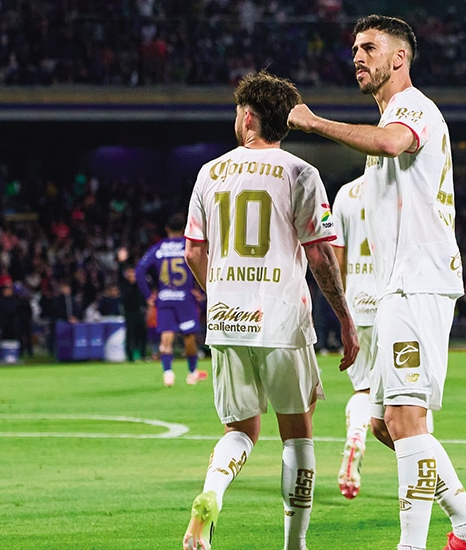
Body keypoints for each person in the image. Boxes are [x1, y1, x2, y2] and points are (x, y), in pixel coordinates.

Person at [288, 15, 466, 550]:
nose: (357, 57)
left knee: (406, 418)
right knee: (388, 424)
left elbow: (390, 143)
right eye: (355, 48)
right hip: (394, 290)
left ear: (398, 58)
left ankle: (413, 546)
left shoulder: (414, 108)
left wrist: (315, 125)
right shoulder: (389, 119)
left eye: (369, 48)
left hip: (417, 283)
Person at [180, 71, 358, 550]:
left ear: (248, 116)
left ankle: (211, 493)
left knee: (240, 431)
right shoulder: (301, 173)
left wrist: (219, 292)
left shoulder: (208, 172)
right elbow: (320, 255)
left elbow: (194, 252)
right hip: (281, 319)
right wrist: (343, 316)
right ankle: (294, 545)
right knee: (298, 438)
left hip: (225, 319)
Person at [329, 176, 379, 499]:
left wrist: (343, 310)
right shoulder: (402, 181)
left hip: (358, 304)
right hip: (397, 302)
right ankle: (424, 479)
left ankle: (356, 435)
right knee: (411, 400)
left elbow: (337, 258)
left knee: (364, 389)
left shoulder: (346, 193)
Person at [136, 213, 206, 387]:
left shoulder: (158, 248)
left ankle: (168, 373)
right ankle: (192, 373)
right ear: (183, 230)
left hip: (165, 297)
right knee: (189, 336)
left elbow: (139, 271)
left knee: (166, 337)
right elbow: (201, 262)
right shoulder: (186, 246)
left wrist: (148, 295)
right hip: (185, 298)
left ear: (167, 229)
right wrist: (200, 288)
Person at [118, 249, 149, 362]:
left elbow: (143, 296)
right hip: (129, 312)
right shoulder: (124, 285)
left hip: (139, 311)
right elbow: (125, 297)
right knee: (130, 334)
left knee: (142, 333)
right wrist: (121, 262)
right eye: (129, 273)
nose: (132, 275)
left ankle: (143, 354)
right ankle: (130, 356)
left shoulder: (139, 284)